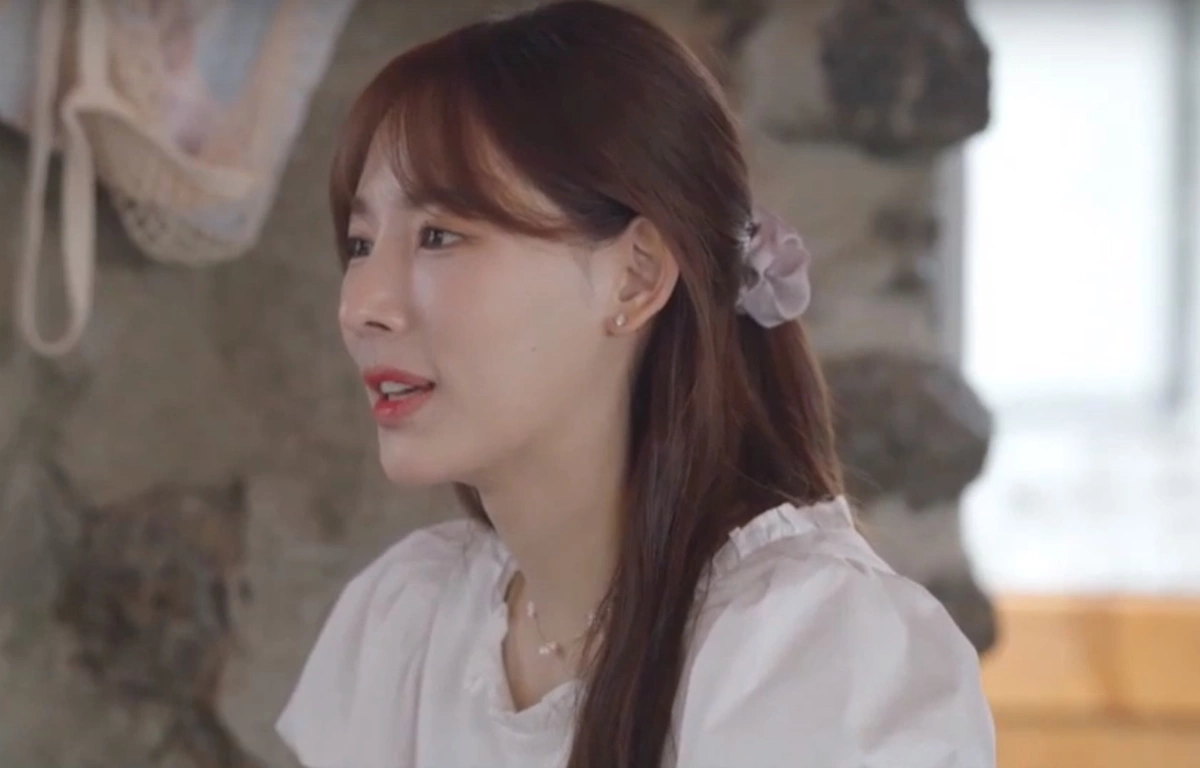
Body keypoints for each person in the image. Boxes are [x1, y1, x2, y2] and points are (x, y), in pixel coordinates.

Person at [275, 2, 996, 766]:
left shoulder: (813, 654)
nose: (362, 306)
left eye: (439, 236)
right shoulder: (407, 624)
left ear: (636, 276)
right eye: (360, 243)